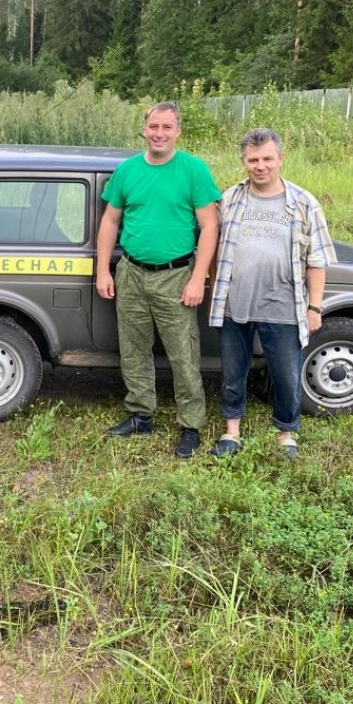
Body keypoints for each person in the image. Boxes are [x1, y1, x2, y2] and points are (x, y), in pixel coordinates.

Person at [95, 102, 221, 458]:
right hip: (131, 273)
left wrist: (198, 278)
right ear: (144, 129)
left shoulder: (193, 170)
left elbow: (210, 225)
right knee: (133, 349)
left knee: (183, 354)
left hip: (177, 275)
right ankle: (140, 415)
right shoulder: (127, 171)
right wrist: (104, 269)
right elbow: (110, 221)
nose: (159, 133)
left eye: (167, 127)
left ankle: (191, 426)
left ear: (178, 131)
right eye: (153, 126)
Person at [208, 127, 335, 459]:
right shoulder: (230, 198)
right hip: (235, 304)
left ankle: (286, 433)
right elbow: (213, 246)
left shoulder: (304, 203)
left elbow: (317, 260)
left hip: (283, 306)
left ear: (281, 158)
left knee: (287, 375)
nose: (259, 166)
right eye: (252, 160)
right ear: (244, 162)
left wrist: (315, 307)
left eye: (266, 158)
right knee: (233, 371)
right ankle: (231, 432)